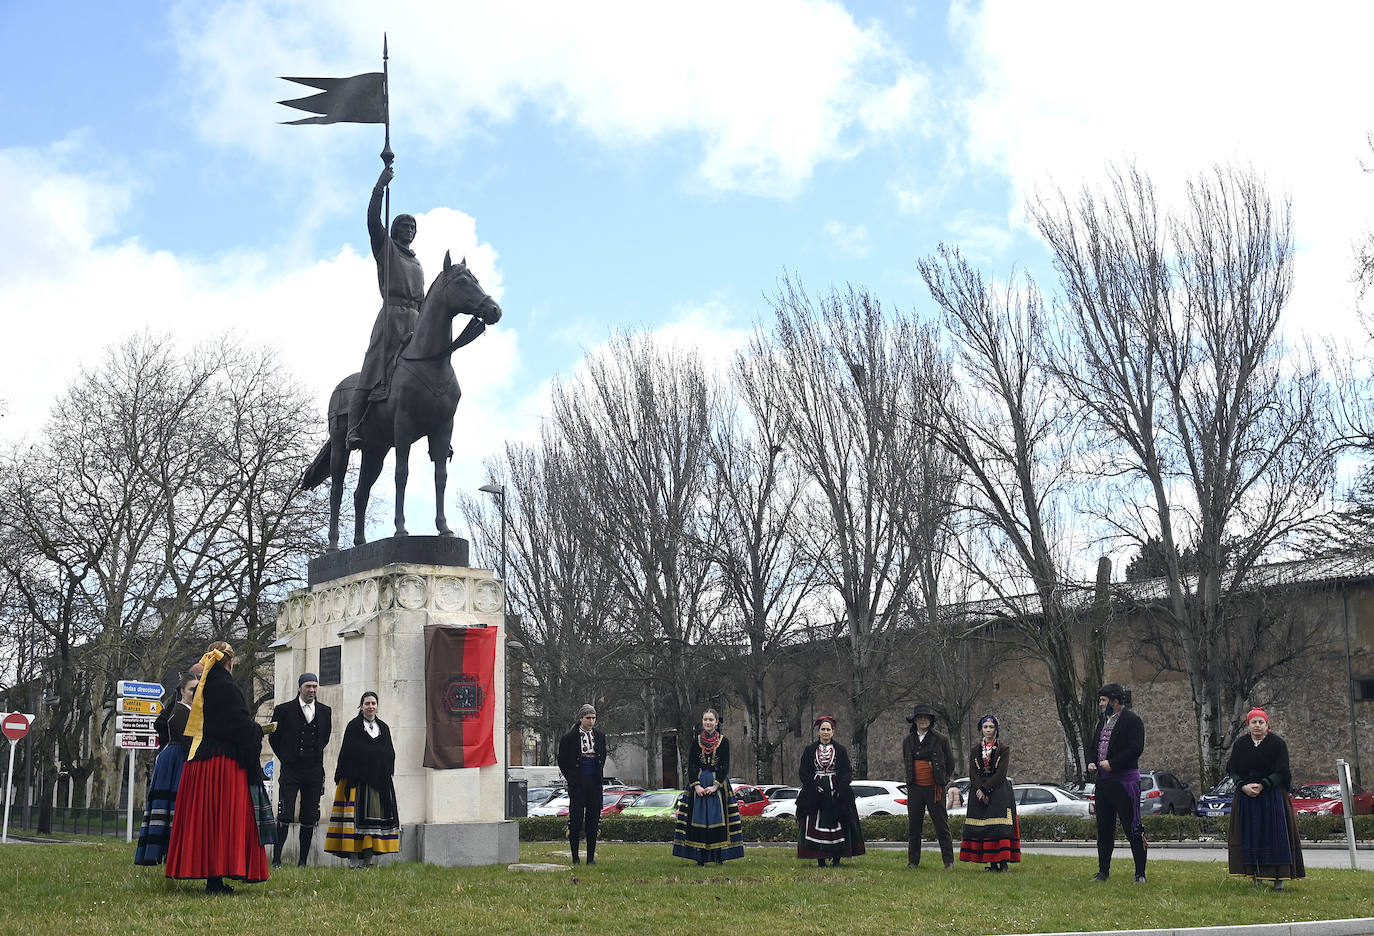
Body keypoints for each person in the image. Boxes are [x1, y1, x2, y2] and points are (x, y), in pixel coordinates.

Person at [165, 641, 272, 894]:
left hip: (199, 762)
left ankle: (212, 878)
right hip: (222, 765)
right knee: (224, 821)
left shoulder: (205, 685)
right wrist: (257, 730)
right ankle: (218, 878)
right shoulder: (226, 686)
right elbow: (237, 725)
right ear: (231, 662)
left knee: (206, 821)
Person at [346, 164, 425, 449]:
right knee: (372, 368)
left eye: (412, 227)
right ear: (394, 229)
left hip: (415, 319)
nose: (409, 230)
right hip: (391, 316)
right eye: (404, 226)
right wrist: (381, 184)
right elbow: (371, 219)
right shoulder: (385, 247)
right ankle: (353, 426)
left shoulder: (417, 262)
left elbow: (424, 299)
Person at [1226, 707, 1304, 889]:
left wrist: (1264, 784)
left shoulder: (1277, 744)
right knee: (1251, 835)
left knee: (1275, 836)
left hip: (1272, 796)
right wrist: (1243, 786)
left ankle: (1278, 879)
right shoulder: (1240, 745)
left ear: (1267, 725)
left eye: (1261, 722)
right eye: (1254, 722)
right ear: (1249, 725)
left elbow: (1282, 770)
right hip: (1247, 796)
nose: (1257, 726)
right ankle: (1256, 876)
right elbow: (1233, 769)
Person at [324, 691, 400, 869]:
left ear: (377, 706)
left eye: (373, 703)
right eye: (367, 703)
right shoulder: (354, 727)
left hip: (378, 782)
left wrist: (384, 768)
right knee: (354, 821)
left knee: (374, 820)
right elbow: (347, 754)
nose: (371, 706)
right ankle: (353, 860)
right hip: (356, 781)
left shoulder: (384, 728)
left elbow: (389, 752)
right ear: (361, 706)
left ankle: (369, 858)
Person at [134, 672, 199, 866]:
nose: (194, 693)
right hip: (175, 758)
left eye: (197, 689)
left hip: (179, 756)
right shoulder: (180, 710)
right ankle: (161, 851)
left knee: (175, 805)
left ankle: (172, 852)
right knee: (170, 805)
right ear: (182, 691)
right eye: (191, 689)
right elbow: (189, 740)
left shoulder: (191, 710)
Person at [1086, 682, 1148, 884]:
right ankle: (1103, 871)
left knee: (1133, 828)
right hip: (1104, 784)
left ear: (1115, 701)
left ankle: (1140, 873)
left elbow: (1135, 748)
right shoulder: (1102, 721)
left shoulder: (1132, 720)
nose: (1100, 704)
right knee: (1104, 829)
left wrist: (1113, 763)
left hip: (1125, 783)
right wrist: (1092, 762)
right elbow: (1094, 745)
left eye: (1103, 700)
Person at [269, 672, 333, 867]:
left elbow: (325, 737)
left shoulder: (325, 711)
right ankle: (277, 859)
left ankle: (303, 861)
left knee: (309, 815)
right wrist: (286, 758)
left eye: (314, 686)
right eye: (308, 686)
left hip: (313, 770)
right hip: (291, 770)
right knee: (285, 813)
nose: (312, 690)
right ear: (299, 688)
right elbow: (274, 738)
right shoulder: (283, 710)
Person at [672, 709, 745, 865]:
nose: (708, 722)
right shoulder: (695, 741)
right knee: (697, 818)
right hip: (698, 785)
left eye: (711, 720)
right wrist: (696, 786)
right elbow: (691, 764)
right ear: (702, 721)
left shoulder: (724, 742)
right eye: (705, 719)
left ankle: (719, 857)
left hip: (718, 786)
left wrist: (715, 786)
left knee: (717, 819)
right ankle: (699, 857)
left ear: (716, 722)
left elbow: (725, 766)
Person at [795, 715, 865, 867]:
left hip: (837, 789)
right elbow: (803, 771)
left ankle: (837, 858)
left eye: (828, 729)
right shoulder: (809, 750)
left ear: (833, 732)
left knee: (840, 821)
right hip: (816, 790)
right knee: (813, 821)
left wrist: (841, 788)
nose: (825, 732)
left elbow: (847, 771)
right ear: (818, 732)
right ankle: (820, 858)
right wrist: (813, 786)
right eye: (823, 729)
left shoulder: (840, 750)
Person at [958, 714, 1020, 872]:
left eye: (991, 727)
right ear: (981, 729)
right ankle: (991, 862)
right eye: (985, 727)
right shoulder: (975, 750)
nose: (988, 730)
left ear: (996, 729)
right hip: (978, 791)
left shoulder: (1003, 749)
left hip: (999, 791)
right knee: (985, 827)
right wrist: (979, 789)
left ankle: (1003, 862)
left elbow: (1001, 773)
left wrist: (986, 789)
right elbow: (972, 772)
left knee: (1000, 827)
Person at [902, 702, 955, 870]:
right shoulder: (908, 741)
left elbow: (950, 763)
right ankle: (913, 862)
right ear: (915, 721)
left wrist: (943, 779)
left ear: (931, 721)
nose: (923, 720)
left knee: (941, 826)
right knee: (914, 827)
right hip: (915, 788)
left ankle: (948, 862)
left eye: (926, 718)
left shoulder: (941, 739)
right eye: (920, 718)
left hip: (934, 789)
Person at [557, 703, 607, 866]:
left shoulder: (600, 736)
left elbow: (602, 757)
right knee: (576, 821)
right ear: (581, 718)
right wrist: (571, 778)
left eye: (593, 718)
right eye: (588, 718)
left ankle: (591, 858)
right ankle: (575, 858)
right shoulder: (569, 738)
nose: (591, 721)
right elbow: (562, 760)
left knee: (593, 821)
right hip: (578, 784)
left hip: (594, 782)